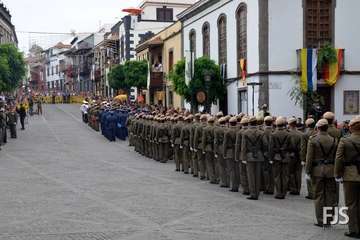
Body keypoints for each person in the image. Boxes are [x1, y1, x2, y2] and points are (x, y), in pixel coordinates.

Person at [306, 119, 338, 227]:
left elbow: (309, 158)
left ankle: (320, 220)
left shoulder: (313, 140)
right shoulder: (334, 140)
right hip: (331, 170)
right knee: (330, 195)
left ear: (318, 127)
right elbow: (336, 157)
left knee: (319, 195)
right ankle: (328, 219)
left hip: (317, 171)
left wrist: (307, 171)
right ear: (327, 127)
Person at [335, 115, 360, 238]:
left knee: (351, 204)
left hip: (350, 175)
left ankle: (353, 230)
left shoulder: (345, 140)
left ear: (351, 128)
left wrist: (337, 174)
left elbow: (339, 159)